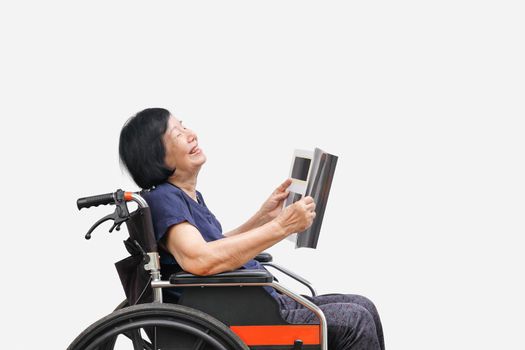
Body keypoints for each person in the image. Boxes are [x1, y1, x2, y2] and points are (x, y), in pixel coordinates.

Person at [119, 107, 385, 350]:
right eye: (177, 133)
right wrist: (282, 226)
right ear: (156, 156)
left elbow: (215, 246)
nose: (191, 135)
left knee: (364, 305)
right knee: (355, 320)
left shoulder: (185, 197)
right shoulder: (164, 199)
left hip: (254, 303)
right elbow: (199, 260)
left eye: (185, 126)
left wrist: (263, 218)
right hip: (239, 318)